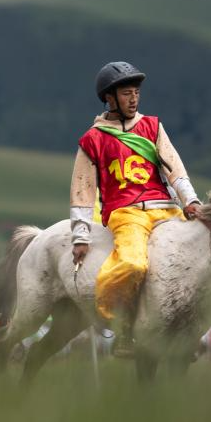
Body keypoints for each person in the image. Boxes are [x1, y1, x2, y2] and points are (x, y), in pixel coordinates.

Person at [70, 61, 202, 358]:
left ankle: (188, 333)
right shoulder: (92, 140)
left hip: (166, 209)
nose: (134, 99)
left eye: (136, 93)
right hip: (126, 213)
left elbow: (174, 167)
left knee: (198, 258)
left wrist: (190, 201)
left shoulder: (153, 126)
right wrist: (80, 236)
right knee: (132, 265)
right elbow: (82, 190)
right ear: (109, 98)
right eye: (126, 93)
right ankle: (124, 330)